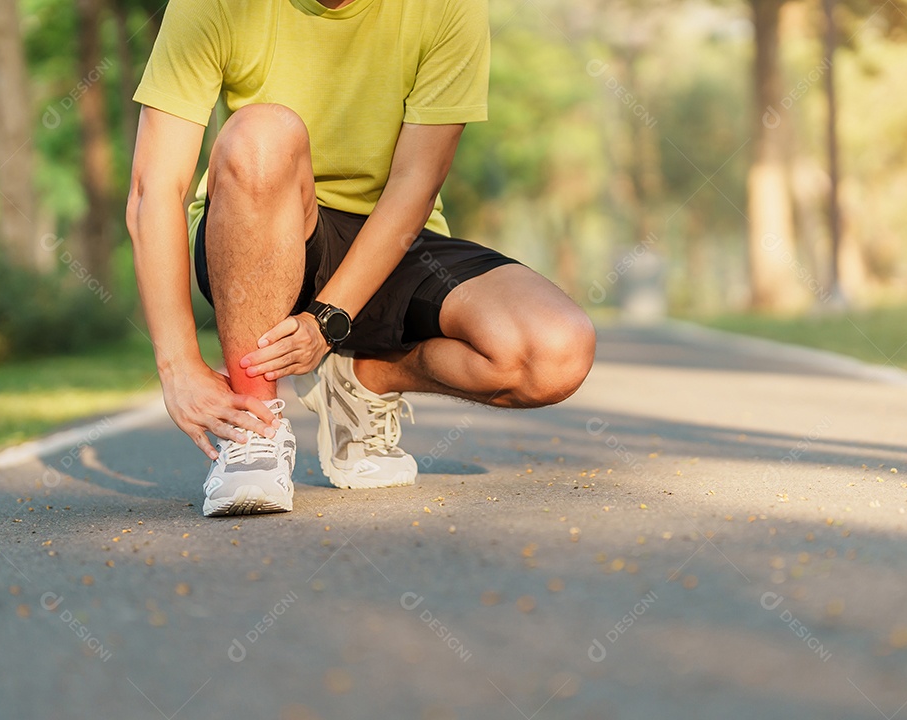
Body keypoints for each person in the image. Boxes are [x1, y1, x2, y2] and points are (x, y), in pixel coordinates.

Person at [125, 0, 596, 517]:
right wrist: (178, 366)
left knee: (554, 353)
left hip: (394, 232)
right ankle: (253, 435)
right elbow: (155, 188)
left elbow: (414, 184)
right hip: (258, 224)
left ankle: (365, 379)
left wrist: (327, 322)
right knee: (262, 134)